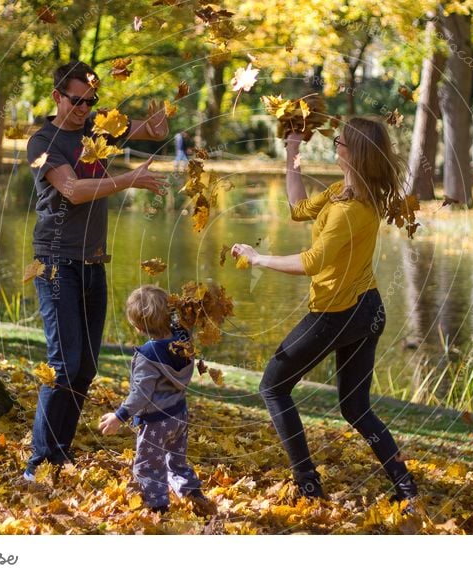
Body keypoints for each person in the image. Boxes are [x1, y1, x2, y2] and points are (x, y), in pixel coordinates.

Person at [231, 118, 419, 511]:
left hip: (338, 313)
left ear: (354, 152)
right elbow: (298, 208)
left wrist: (257, 257)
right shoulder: (343, 194)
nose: (334, 145)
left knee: (273, 386)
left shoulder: (350, 209)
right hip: (367, 310)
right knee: (355, 408)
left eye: (339, 142)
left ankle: (308, 485)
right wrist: (292, 152)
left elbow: (313, 262)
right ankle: (405, 486)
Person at [22, 61, 169, 482]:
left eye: (92, 101)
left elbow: (152, 131)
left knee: (84, 367)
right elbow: (72, 190)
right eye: (77, 100)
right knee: (64, 362)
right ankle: (38, 464)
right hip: (55, 262)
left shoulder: (99, 131)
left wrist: (161, 117)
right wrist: (128, 180)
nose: (85, 107)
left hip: (92, 263)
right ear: (57, 97)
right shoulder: (43, 141)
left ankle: (60, 455)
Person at [98, 285, 212, 515]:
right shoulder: (183, 336)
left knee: (148, 467)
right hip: (179, 415)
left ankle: (157, 507)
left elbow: (141, 394)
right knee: (176, 461)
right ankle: (193, 494)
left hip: (156, 422)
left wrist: (119, 416)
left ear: (139, 327)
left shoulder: (148, 355)